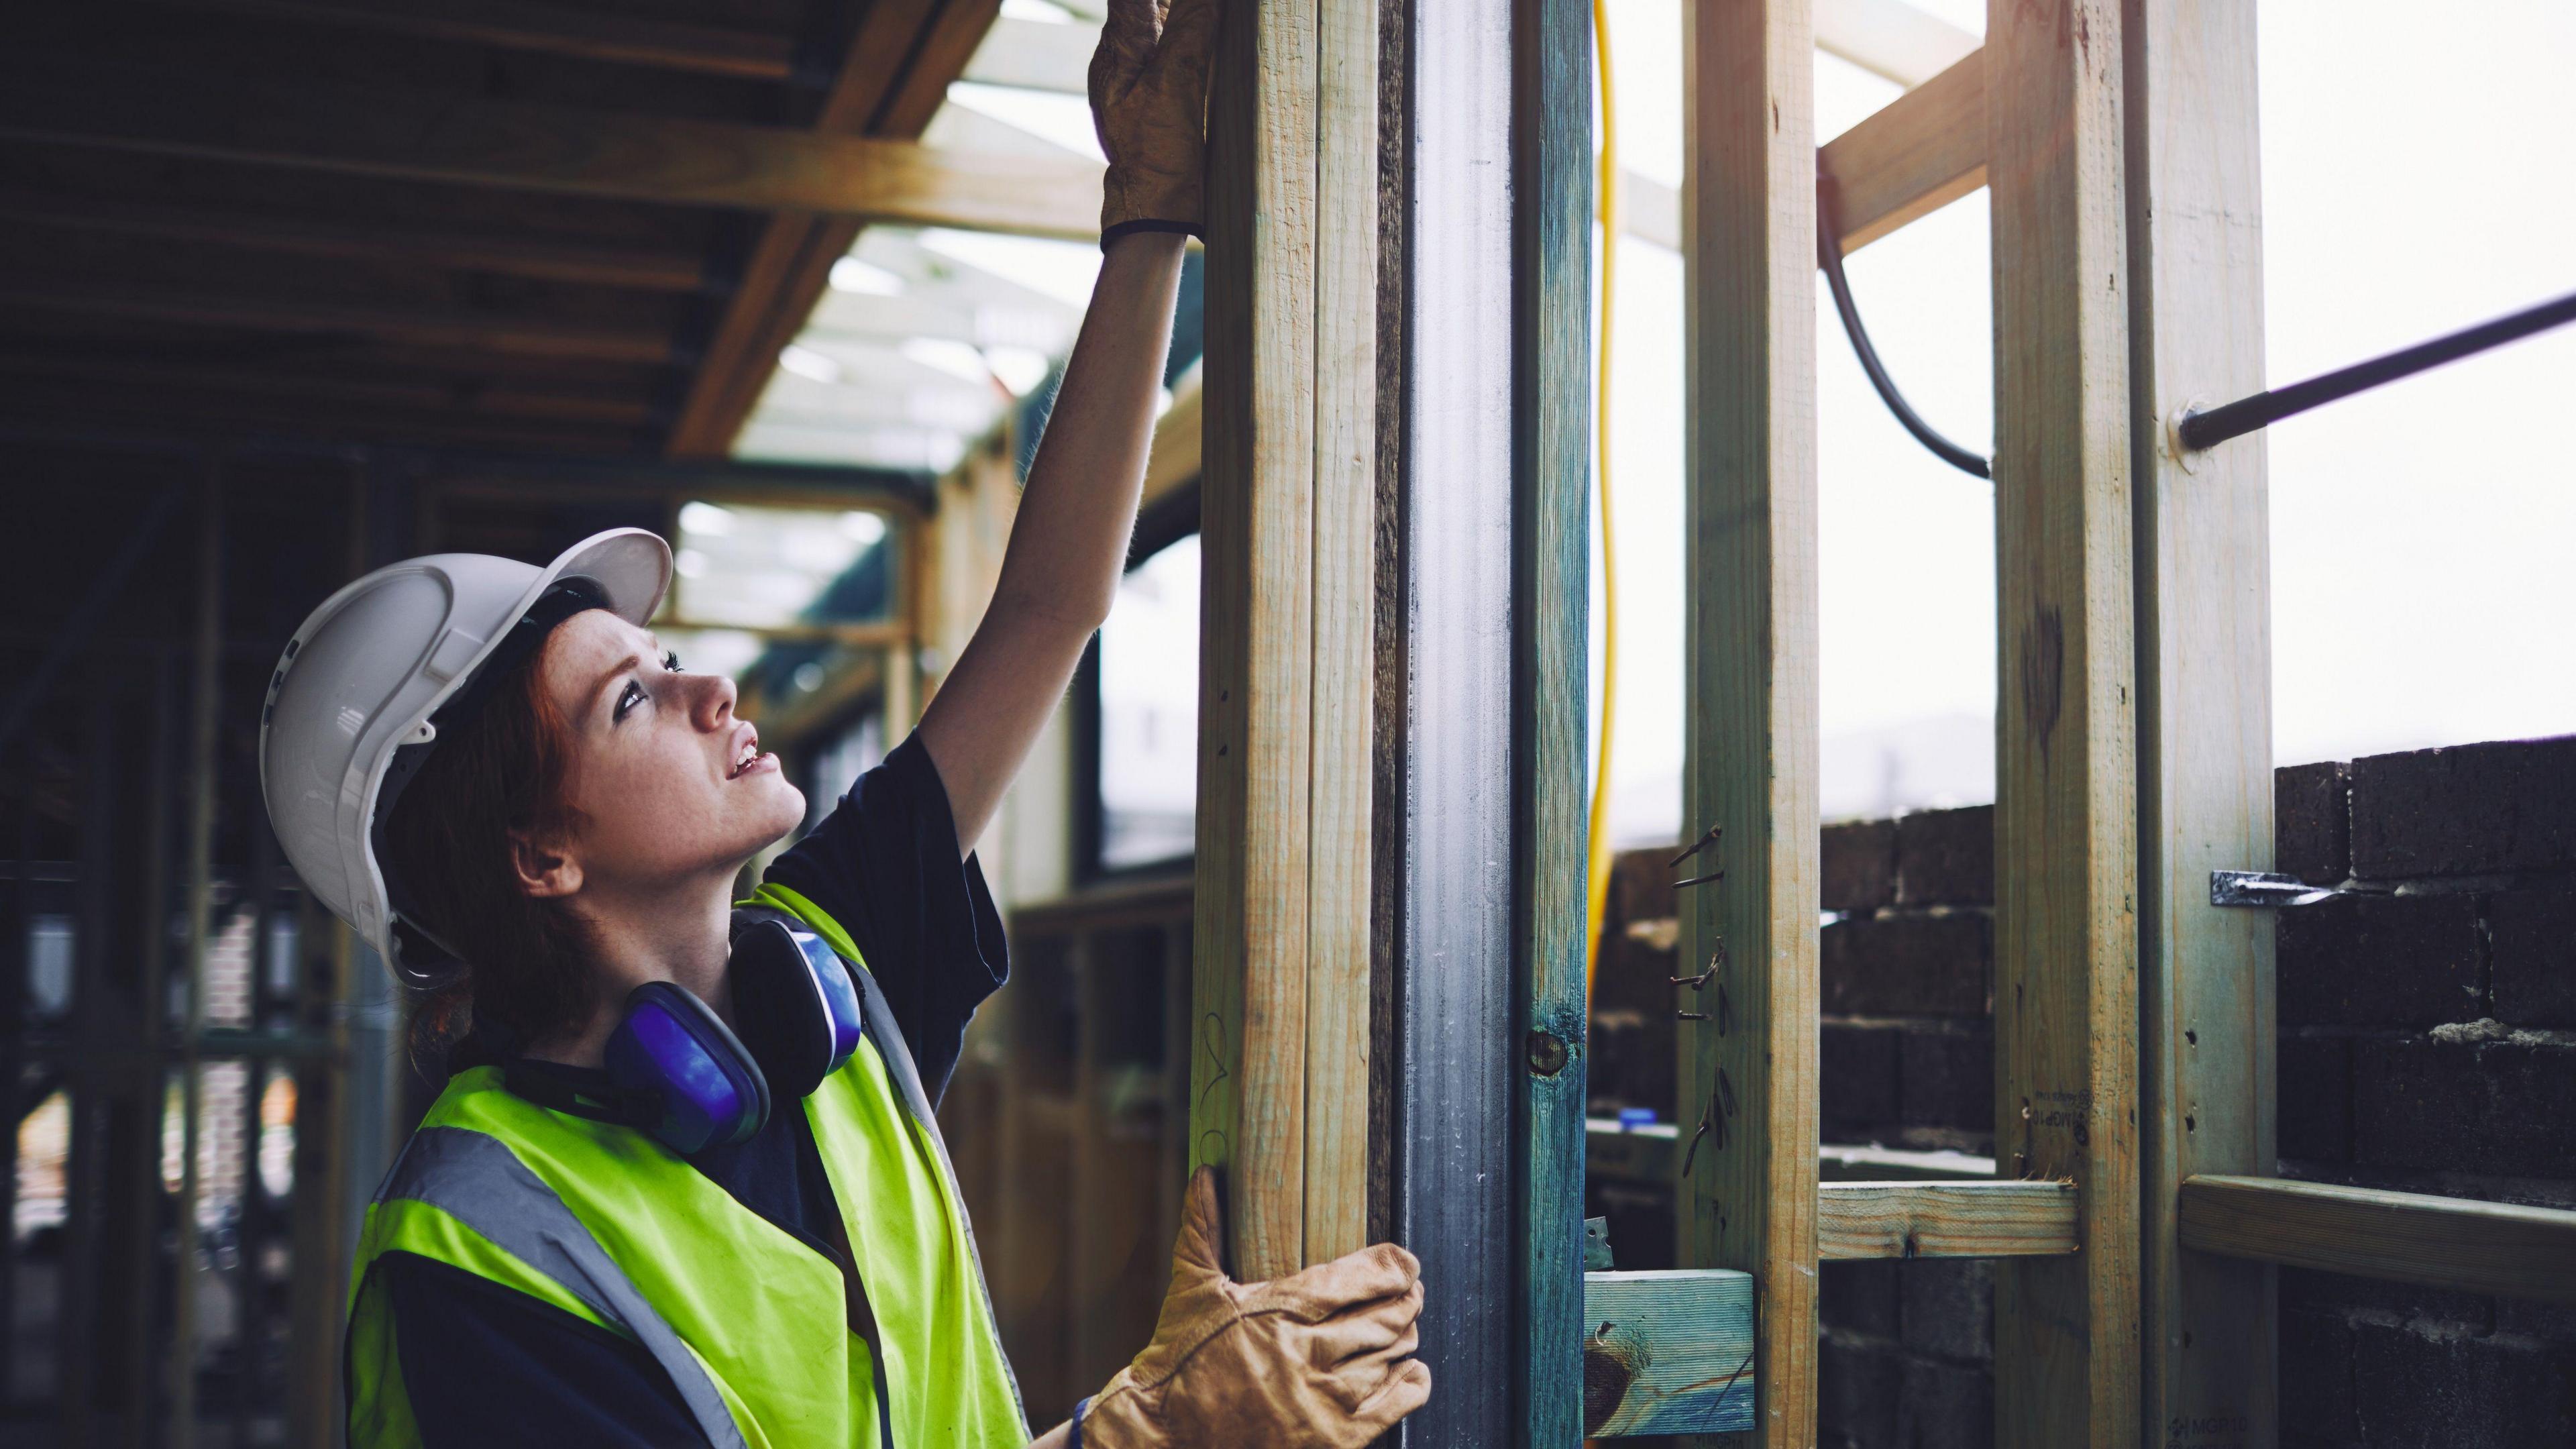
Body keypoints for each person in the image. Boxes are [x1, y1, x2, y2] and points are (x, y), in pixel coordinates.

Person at [256, 0, 1431, 1442]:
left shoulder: (825, 979)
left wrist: (1148, 221)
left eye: (671, 656)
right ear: (537, 855)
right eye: (635, 700)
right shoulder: (481, 1257)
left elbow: (1051, 608)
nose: (712, 692)